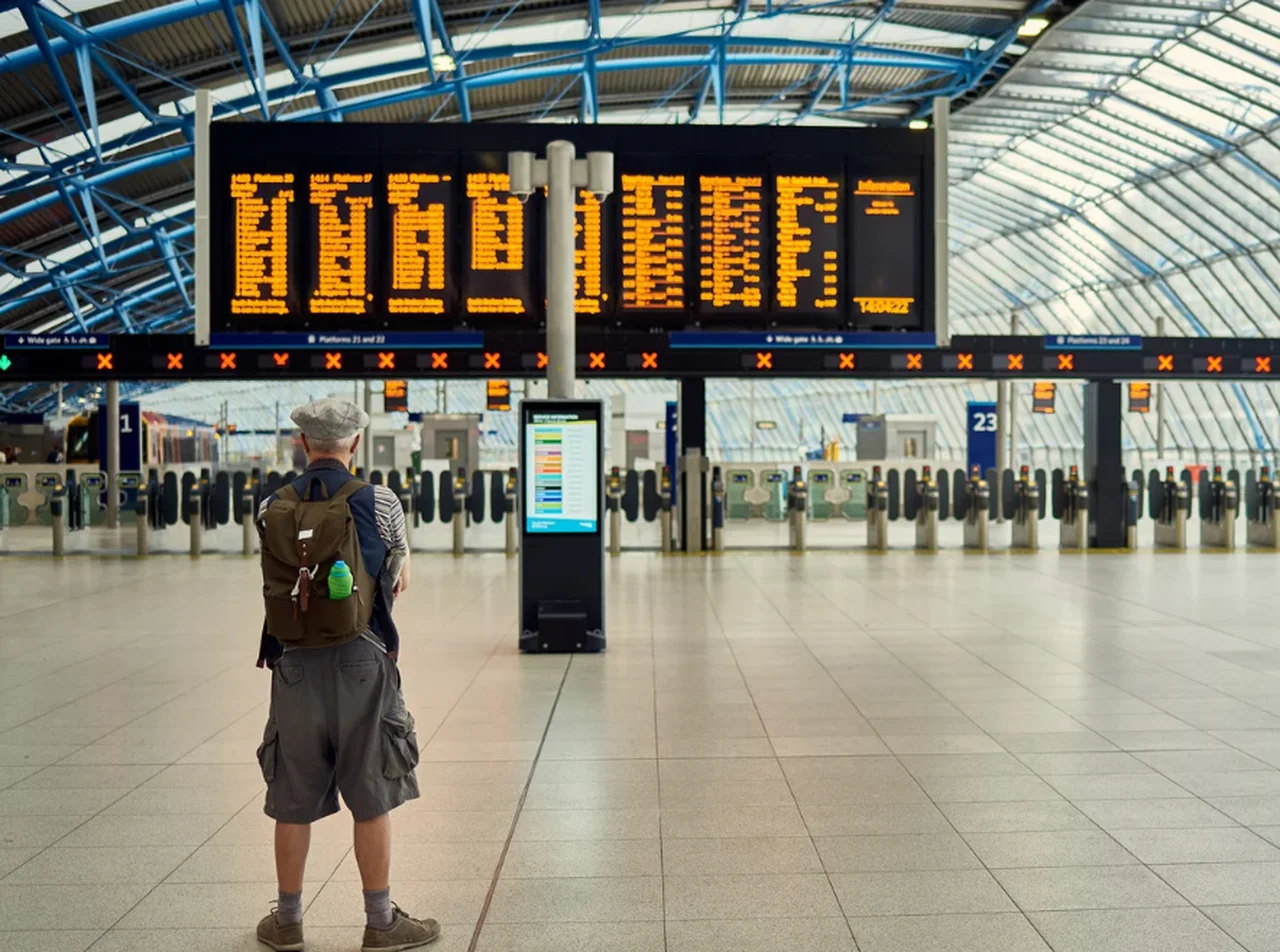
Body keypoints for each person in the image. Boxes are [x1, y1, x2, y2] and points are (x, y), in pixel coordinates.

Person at [254, 398, 438, 952]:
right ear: (355, 444)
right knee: (372, 788)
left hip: (292, 663)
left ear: (303, 444)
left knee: (293, 792)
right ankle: (380, 923)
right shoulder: (380, 502)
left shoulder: (271, 505)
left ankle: (287, 922)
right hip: (363, 659)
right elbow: (398, 577)